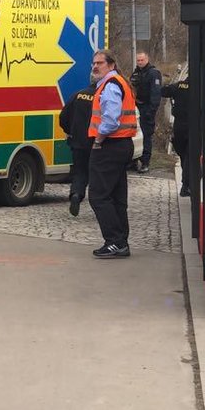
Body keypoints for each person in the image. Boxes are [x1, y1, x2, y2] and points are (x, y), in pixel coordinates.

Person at [88, 50, 138, 258]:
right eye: (94, 63)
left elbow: (110, 120)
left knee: (98, 196)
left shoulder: (110, 86)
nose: (95, 66)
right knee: (117, 196)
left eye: (100, 63)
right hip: (122, 145)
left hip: (110, 145)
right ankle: (121, 242)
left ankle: (115, 241)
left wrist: (98, 140)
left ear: (111, 65)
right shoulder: (119, 82)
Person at [59, 79, 96, 216]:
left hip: (78, 142)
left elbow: (63, 116)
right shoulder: (101, 96)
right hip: (96, 143)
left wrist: (70, 131)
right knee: (97, 175)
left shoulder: (78, 95)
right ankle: (98, 204)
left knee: (80, 171)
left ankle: (76, 194)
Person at [129, 51, 162, 173]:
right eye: (138, 60)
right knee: (133, 134)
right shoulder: (136, 73)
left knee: (146, 136)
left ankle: (145, 162)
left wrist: (151, 111)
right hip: (135, 108)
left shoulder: (153, 73)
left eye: (142, 60)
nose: (140, 62)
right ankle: (133, 160)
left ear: (147, 59)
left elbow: (156, 93)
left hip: (147, 108)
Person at [161, 75, 190, 196]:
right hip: (196, 126)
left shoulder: (179, 86)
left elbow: (163, 91)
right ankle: (187, 185)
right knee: (190, 156)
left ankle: (186, 184)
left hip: (179, 126)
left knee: (184, 155)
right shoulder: (203, 87)